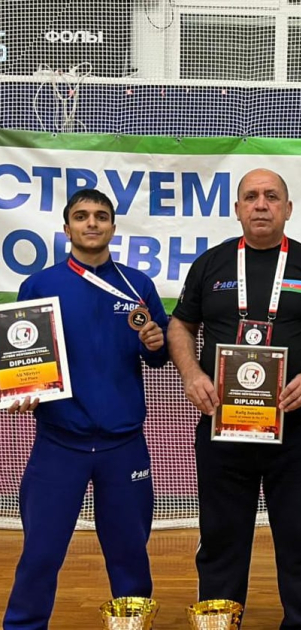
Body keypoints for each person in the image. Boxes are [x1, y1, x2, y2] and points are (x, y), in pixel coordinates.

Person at [168, 168, 301, 628]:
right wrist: (191, 374)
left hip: (296, 429)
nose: (261, 204)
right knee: (221, 538)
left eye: (271, 196)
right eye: (251, 197)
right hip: (223, 428)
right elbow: (181, 325)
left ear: (288, 208)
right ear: (237, 209)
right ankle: (219, 622)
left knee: (300, 537)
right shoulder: (211, 264)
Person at [4, 189, 169, 630]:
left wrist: (157, 343)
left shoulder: (138, 285)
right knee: (40, 554)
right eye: (81, 216)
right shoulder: (39, 285)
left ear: (113, 227)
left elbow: (157, 354)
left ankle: (132, 625)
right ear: (67, 228)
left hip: (124, 445)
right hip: (59, 444)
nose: (91, 223)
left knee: (130, 554)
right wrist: (23, 387)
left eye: (100, 216)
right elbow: (21, 352)